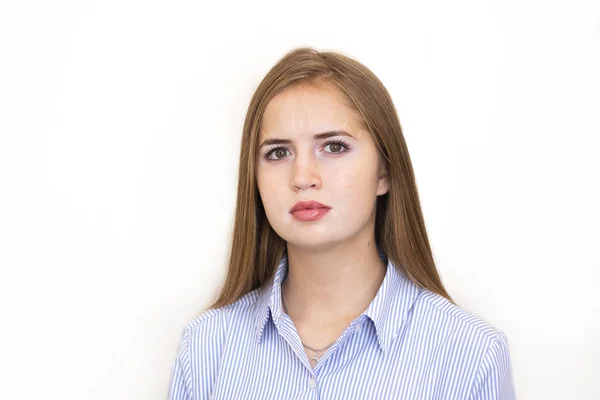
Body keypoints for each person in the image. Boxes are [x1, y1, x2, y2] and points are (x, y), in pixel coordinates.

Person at [168, 47, 516, 399]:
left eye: (334, 147)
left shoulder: (471, 355)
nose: (303, 177)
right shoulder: (206, 348)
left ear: (385, 171)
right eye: (278, 152)